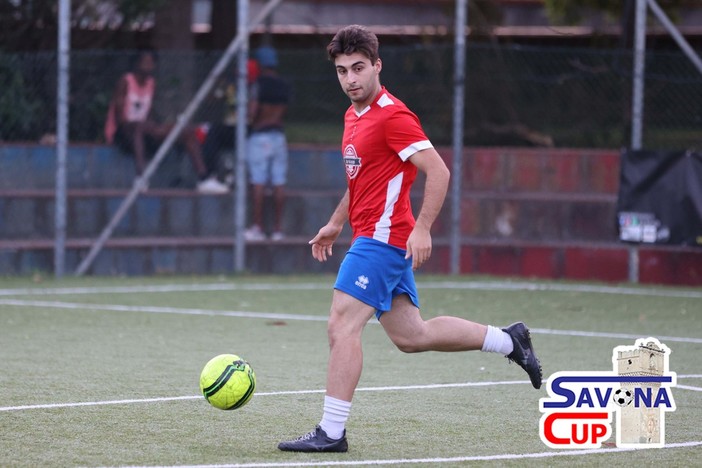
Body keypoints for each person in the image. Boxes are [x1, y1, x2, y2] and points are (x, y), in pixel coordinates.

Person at [277, 25, 542, 453]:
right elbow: (361, 179)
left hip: (382, 241)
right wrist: (336, 222)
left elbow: (438, 171)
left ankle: (331, 432)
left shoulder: (393, 116)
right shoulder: (353, 115)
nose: (350, 79)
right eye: (342, 71)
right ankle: (509, 340)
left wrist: (423, 227)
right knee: (412, 336)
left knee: (341, 325)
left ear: (377, 65)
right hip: (374, 237)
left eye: (359, 68)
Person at [104, 49, 229, 194]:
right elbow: (120, 119)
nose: (149, 65)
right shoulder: (126, 81)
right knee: (139, 127)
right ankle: (141, 178)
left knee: (185, 131)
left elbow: (148, 112)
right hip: (123, 134)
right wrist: (145, 127)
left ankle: (204, 179)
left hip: (144, 132)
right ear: (137, 63)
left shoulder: (151, 83)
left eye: (151, 62)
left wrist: (156, 128)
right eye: (145, 62)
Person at [243, 46, 291, 241]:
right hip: (278, 136)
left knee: (259, 182)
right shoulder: (284, 85)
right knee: (279, 182)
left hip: (260, 136)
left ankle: (258, 227)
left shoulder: (258, 85)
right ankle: (278, 229)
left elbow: (252, 113)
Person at [201, 58, 260, 187]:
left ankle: (239, 176)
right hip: (230, 126)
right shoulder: (230, 85)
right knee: (209, 133)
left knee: (216, 132)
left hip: (246, 127)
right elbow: (212, 99)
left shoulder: (254, 88)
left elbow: (253, 112)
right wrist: (218, 88)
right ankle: (211, 176)